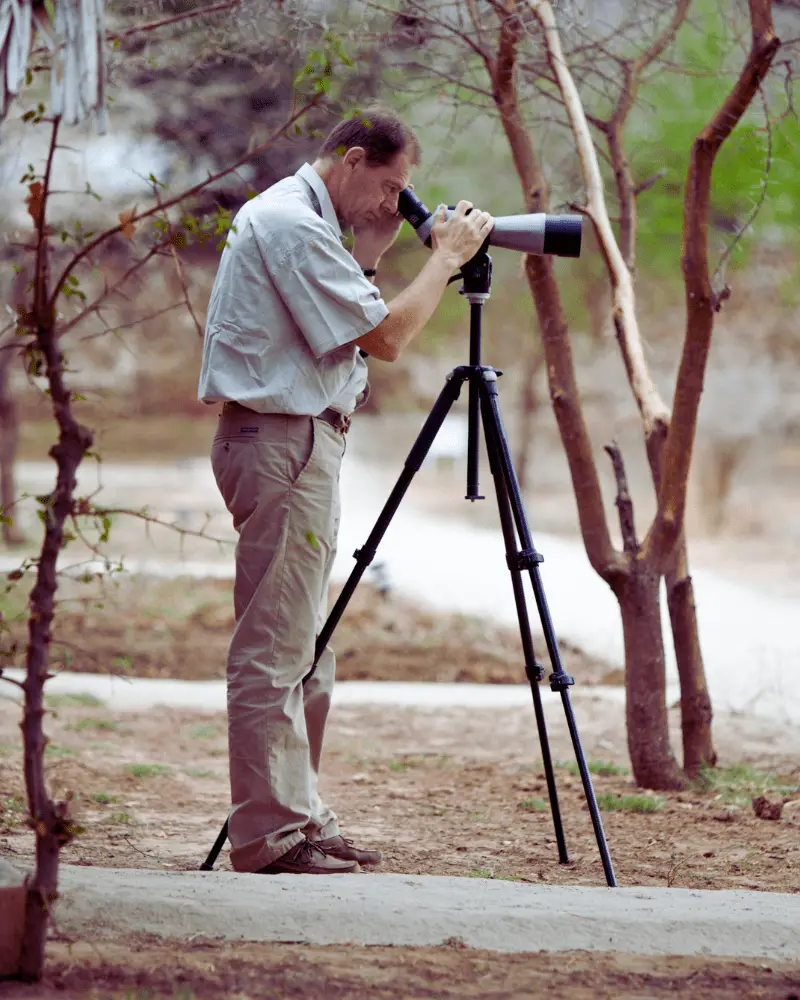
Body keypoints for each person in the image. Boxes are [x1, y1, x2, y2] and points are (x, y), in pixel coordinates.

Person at [197, 107, 493, 876]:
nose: (395, 201)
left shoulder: (314, 226)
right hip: (284, 441)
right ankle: (269, 837)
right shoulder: (293, 223)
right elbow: (388, 338)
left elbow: (341, 324)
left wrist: (377, 248)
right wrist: (445, 261)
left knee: (304, 647)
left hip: (298, 440)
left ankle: (297, 815)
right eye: (390, 184)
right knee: (273, 649)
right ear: (352, 159)